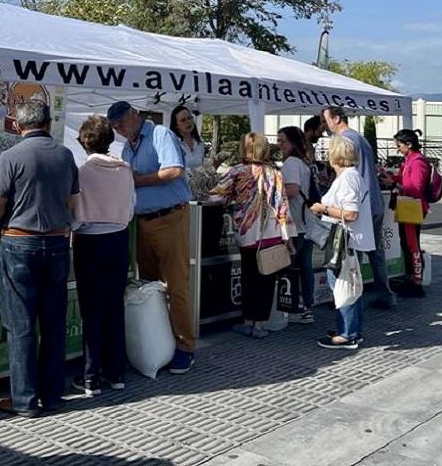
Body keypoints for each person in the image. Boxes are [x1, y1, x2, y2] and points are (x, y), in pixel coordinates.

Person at [0, 99, 79, 418]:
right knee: (53, 323)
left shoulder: (10, 157)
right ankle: (52, 395)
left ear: (19, 125)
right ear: (49, 123)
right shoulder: (65, 155)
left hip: (19, 244)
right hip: (56, 244)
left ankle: (24, 401)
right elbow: (73, 203)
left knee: (21, 325)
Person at [108, 101, 196, 374]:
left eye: (122, 123)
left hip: (170, 217)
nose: (120, 129)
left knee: (175, 284)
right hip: (143, 222)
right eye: (115, 127)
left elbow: (174, 171)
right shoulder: (127, 147)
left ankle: (185, 347)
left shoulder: (160, 135)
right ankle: (158, 342)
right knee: (149, 286)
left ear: (135, 115)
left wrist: (137, 179)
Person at [70, 116, 134, 395]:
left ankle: (90, 376)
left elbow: (74, 214)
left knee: (92, 311)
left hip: (90, 242)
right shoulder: (125, 170)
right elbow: (130, 208)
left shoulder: (82, 172)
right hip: (119, 240)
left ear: (83, 141)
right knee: (114, 307)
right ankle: (116, 372)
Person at [210, 133, 293, 338]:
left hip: (247, 235)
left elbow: (218, 196)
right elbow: (282, 207)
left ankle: (247, 321)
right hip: (271, 234)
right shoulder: (275, 173)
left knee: (248, 277)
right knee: (266, 280)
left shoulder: (237, 171)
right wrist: (287, 236)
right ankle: (260, 325)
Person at [321, 106, 394, 310]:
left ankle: (350, 300)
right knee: (375, 251)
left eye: (325, 120)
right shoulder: (361, 138)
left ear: (336, 119)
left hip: (360, 205)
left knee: (352, 256)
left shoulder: (346, 140)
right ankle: (384, 294)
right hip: (373, 202)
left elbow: (347, 173)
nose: (324, 125)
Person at [310, 136, 373, 349]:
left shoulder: (348, 178)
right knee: (348, 285)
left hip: (345, 240)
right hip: (348, 239)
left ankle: (348, 334)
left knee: (343, 286)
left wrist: (323, 209)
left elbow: (351, 213)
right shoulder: (351, 175)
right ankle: (349, 329)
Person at [277, 126, 316, 324]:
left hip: (295, 222)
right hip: (305, 221)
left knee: (291, 267)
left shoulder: (291, 163)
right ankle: (307, 306)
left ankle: (293, 307)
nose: (279, 145)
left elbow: (292, 190)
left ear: (292, 143)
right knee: (305, 267)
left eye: (282, 141)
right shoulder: (303, 162)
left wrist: (273, 188)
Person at [390, 129, 430, 297]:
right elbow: (405, 180)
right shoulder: (409, 161)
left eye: (399, 146)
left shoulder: (418, 162)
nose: (398, 148)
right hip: (407, 206)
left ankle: (416, 283)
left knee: (412, 245)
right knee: (406, 244)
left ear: (409, 144)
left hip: (413, 207)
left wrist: (398, 186)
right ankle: (410, 279)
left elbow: (416, 188)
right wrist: (390, 177)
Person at [169, 105, 206, 171]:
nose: (188, 122)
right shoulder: (173, 144)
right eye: (183, 120)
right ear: (176, 125)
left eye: (190, 118)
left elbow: (202, 166)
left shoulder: (199, 143)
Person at [304, 115, 332, 195]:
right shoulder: (302, 147)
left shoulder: (310, 146)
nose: (321, 135)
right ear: (310, 130)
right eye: (319, 132)